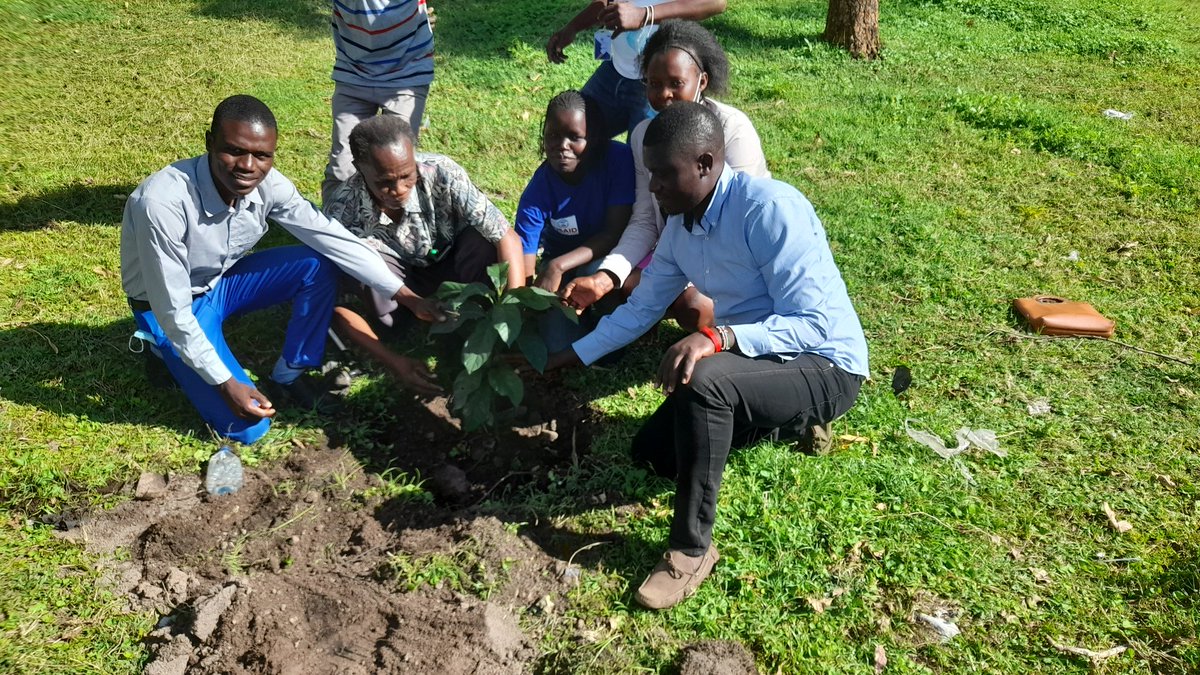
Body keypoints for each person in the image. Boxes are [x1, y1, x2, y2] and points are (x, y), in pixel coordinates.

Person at [543, 103, 869, 609]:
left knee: (704, 381)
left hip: (824, 365)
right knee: (653, 455)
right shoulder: (680, 227)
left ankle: (690, 550)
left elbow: (814, 324)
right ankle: (783, 422)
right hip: (757, 364)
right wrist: (566, 357)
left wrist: (718, 337)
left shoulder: (770, 209)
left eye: (664, 175)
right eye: (650, 175)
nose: (653, 189)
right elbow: (642, 311)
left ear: (705, 162)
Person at [121, 95, 428, 444]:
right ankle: (160, 350)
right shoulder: (161, 204)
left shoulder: (267, 184)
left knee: (319, 261)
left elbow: (330, 236)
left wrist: (405, 295)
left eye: (262, 155)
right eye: (234, 150)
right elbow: (173, 311)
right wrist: (227, 383)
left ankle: (290, 373)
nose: (248, 166)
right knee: (248, 428)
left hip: (221, 283)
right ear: (209, 142)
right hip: (167, 308)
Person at [562, 19, 768, 332]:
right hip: (670, 254)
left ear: (701, 81)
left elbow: (736, 233)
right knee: (608, 279)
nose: (664, 95)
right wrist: (608, 276)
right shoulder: (644, 135)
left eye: (676, 83)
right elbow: (645, 218)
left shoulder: (733, 132)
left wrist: (648, 279)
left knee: (693, 307)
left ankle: (721, 331)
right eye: (654, 84)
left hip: (732, 261)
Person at [322, 115, 525, 375]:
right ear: (359, 168)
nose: (398, 190)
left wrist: (514, 312)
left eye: (407, 176)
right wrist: (410, 308)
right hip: (400, 281)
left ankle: (474, 308)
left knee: (483, 242)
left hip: (454, 258)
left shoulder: (442, 172)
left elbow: (505, 236)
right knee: (369, 280)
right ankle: (411, 319)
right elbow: (334, 305)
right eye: (384, 182)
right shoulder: (343, 210)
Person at [515, 90, 635, 352]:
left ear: (593, 139)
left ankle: (611, 322)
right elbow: (524, 259)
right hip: (563, 265)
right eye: (553, 136)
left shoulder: (618, 160)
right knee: (557, 343)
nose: (562, 146)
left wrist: (556, 266)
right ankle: (583, 322)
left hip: (607, 255)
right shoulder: (538, 191)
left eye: (575, 137)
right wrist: (526, 302)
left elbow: (614, 232)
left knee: (597, 272)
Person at [546, 0, 727, 140]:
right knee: (573, 132)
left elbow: (716, 3)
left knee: (644, 161)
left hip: (658, 83)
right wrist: (573, 27)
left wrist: (644, 15)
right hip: (614, 70)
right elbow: (607, 3)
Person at [321, 0, 436, 206]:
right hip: (354, 73)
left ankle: (398, 231)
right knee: (341, 168)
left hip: (406, 74)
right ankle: (335, 230)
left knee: (397, 169)